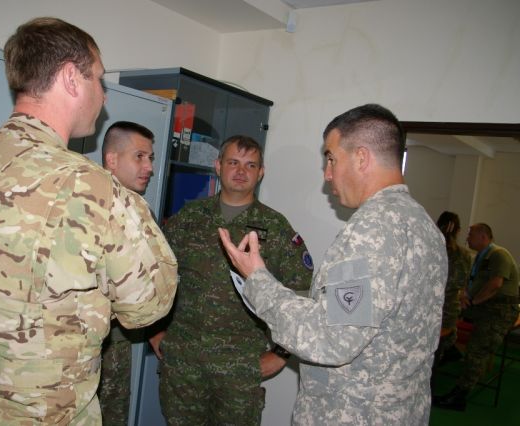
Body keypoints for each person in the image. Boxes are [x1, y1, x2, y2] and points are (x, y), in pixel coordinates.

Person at [0, 18, 177, 425]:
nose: (104, 95)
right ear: (71, 78)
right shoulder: (96, 188)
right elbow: (148, 305)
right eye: (99, 79)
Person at [219, 104, 448, 425]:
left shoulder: (372, 230)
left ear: (361, 157)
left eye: (331, 158)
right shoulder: (423, 224)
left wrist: (257, 279)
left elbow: (330, 340)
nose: (327, 174)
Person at [152, 135, 314, 425]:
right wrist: (154, 333)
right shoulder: (190, 217)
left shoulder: (275, 227)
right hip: (183, 363)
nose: (241, 171)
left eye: (250, 165)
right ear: (218, 166)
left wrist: (280, 354)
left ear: (261, 172)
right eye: (233, 163)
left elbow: (301, 293)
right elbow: (154, 273)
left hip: (239, 367)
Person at [99, 121, 155, 426]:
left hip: (119, 339)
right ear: (112, 160)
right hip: (82, 341)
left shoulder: (139, 211)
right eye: (139, 157)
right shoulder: (88, 208)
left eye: (151, 158)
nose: (149, 167)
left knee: (113, 414)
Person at [433, 223, 519, 411]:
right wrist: (466, 298)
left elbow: (496, 284)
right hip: (485, 307)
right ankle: (451, 348)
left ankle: (459, 396)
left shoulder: (499, 255)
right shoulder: (482, 257)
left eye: (471, 234)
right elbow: (477, 283)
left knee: (476, 351)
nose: (467, 238)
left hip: (498, 311)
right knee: (449, 316)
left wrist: (474, 301)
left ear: (483, 237)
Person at [432, 212, 472, 373]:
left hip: (429, 308)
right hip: (449, 310)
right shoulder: (464, 255)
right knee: (441, 345)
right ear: (458, 231)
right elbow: (463, 283)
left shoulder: (430, 249)